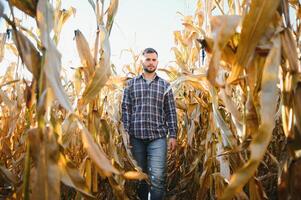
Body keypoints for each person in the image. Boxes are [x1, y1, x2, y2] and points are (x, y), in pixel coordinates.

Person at [122, 47, 178, 200]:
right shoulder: (131, 85)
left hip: (158, 138)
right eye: (148, 59)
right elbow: (126, 110)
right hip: (136, 138)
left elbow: (170, 112)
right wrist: (125, 133)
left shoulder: (165, 86)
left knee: (157, 178)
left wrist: (173, 135)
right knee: (140, 179)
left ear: (157, 62)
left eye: (154, 60)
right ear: (142, 61)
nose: (151, 62)